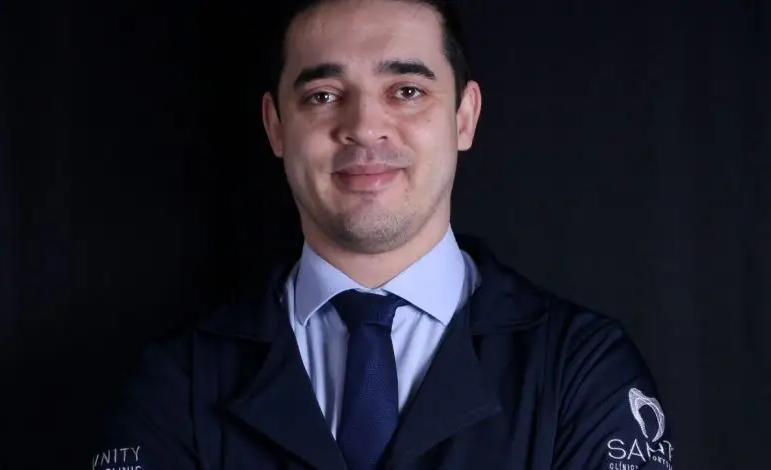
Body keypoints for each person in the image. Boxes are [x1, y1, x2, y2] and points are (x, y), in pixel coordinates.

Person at [91, 0, 674, 469]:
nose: (365, 127)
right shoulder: (179, 381)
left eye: (407, 91)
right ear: (275, 126)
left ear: (464, 117)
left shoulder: (580, 368)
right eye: (323, 96)